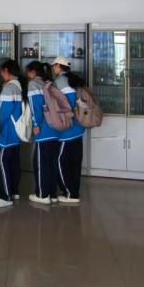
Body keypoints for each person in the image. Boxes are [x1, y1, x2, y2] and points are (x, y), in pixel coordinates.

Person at [52, 57, 86, 205]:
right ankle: (74, 192)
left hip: (67, 130)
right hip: (79, 128)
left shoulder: (59, 82)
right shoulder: (75, 80)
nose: (53, 69)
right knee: (75, 164)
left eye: (54, 66)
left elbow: (58, 106)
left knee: (60, 161)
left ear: (59, 66)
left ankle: (69, 193)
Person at [0, 59, 25, 208]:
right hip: (16, 133)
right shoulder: (20, 86)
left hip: (5, 134)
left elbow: (3, 114)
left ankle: (5, 196)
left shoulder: (9, 88)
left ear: (6, 70)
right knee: (14, 163)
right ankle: (14, 191)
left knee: (1, 163)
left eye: (1, 71)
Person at [25, 60, 59, 205]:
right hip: (55, 128)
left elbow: (35, 106)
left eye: (28, 72)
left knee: (40, 163)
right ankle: (52, 194)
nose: (27, 75)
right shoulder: (50, 83)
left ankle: (42, 194)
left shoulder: (33, 84)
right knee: (51, 163)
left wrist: (36, 124)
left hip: (43, 129)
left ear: (33, 72)